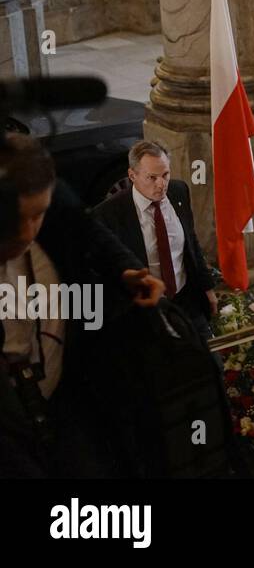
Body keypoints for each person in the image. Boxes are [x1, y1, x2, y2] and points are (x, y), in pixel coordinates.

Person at [0, 133, 165, 477]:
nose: (28, 231)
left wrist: (126, 269)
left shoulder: (48, 197)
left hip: (64, 395)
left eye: (38, 215)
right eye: (17, 217)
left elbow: (88, 229)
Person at [91, 141, 217, 337]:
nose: (161, 184)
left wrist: (207, 287)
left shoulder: (179, 191)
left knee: (208, 363)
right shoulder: (108, 214)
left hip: (187, 301)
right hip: (146, 311)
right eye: (152, 177)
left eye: (165, 175)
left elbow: (191, 243)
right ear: (132, 175)